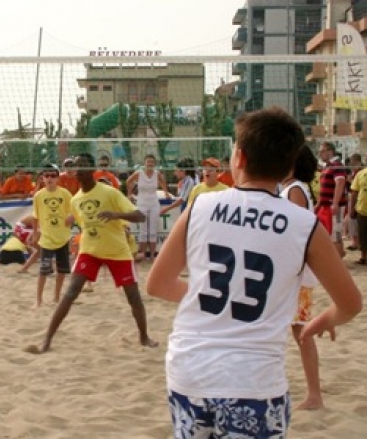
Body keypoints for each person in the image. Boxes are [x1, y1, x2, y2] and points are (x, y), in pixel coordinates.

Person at [146, 107, 362, 437]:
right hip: (253, 379)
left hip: (190, 369)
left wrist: (209, 296)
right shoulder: (305, 225)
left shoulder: (201, 206)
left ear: (240, 157)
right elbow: (350, 304)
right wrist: (320, 322)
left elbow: (158, 284)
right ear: (290, 165)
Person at [36, 153, 158, 352]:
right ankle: (47, 340)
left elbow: (140, 216)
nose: (79, 170)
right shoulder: (75, 201)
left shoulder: (109, 192)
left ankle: (144, 337)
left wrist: (115, 215)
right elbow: (82, 224)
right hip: (90, 251)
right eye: (77, 167)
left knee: (133, 297)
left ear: (92, 170)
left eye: (83, 166)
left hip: (117, 251)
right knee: (71, 292)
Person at [279, 145, 324, 410]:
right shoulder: (293, 188)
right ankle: (313, 393)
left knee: (302, 333)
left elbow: (296, 230)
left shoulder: (295, 189)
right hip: (293, 271)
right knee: (299, 332)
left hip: (295, 272)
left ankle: (315, 395)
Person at [32, 164, 73, 309]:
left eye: (53, 175)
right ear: (42, 178)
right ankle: (38, 300)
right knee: (43, 270)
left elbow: (74, 210)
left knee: (62, 270)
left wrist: (72, 217)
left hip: (63, 237)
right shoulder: (39, 195)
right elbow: (35, 216)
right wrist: (35, 232)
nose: (49, 178)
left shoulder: (66, 194)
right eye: (47, 175)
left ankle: (56, 297)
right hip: (47, 238)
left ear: (57, 178)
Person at [126, 154, 171, 262]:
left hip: (154, 203)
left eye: (152, 162)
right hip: (142, 203)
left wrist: (166, 192)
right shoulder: (139, 173)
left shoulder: (157, 174)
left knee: (153, 230)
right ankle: (142, 254)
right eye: (148, 161)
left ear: (154, 164)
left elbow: (163, 182)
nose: (150, 163)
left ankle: (152, 255)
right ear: (144, 163)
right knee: (143, 230)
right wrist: (129, 194)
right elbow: (128, 181)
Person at [316, 141, 347, 258]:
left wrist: (335, 203)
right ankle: (340, 253)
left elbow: (340, 182)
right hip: (326, 205)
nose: (320, 154)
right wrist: (319, 204)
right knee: (332, 232)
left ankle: (338, 258)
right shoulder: (327, 166)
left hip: (334, 206)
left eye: (322, 151)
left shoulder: (336, 165)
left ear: (330, 151)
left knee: (335, 233)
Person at [349, 157, 367, 265]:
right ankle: (364, 257)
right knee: (363, 235)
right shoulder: (360, 174)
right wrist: (352, 208)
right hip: (362, 210)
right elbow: (354, 192)